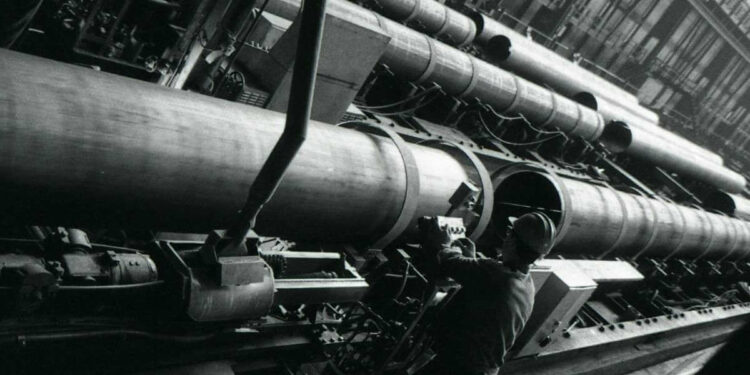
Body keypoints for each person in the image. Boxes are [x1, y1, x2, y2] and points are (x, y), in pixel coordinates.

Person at [419, 212, 556, 375]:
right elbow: (487, 291)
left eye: (508, 233)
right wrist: (472, 258)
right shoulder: (527, 283)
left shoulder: (495, 274)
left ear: (512, 241)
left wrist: (444, 243)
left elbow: (449, 262)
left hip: (459, 366)